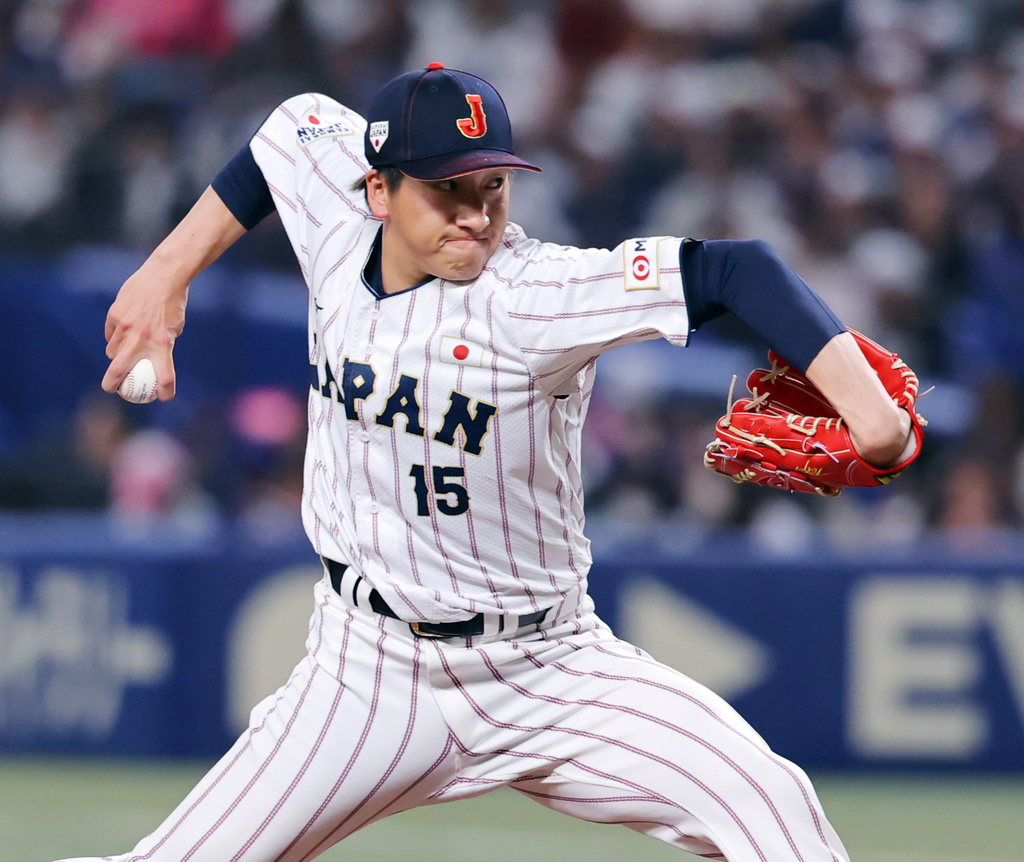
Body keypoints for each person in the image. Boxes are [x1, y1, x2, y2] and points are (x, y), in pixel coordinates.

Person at [62, 63, 913, 862]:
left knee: (772, 806)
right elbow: (286, 132)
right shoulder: (334, 213)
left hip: (552, 670)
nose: (476, 213)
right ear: (378, 189)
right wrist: (164, 273)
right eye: (447, 188)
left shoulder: (535, 293)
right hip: (366, 672)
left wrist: (873, 421)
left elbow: (737, 269)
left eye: (492, 185)